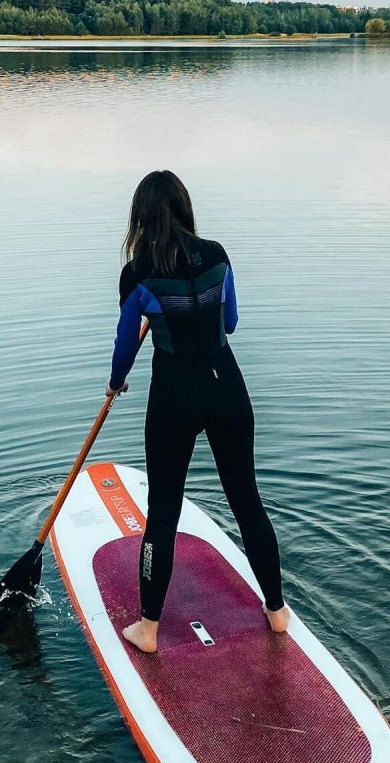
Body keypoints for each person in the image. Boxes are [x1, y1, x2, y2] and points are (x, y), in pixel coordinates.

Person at [106, 170, 289, 653]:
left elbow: (126, 341)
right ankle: (277, 611)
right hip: (226, 386)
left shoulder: (138, 271)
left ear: (140, 216)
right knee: (247, 501)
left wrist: (116, 380)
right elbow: (229, 320)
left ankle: (147, 629)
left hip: (174, 395)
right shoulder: (217, 254)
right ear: (185, 208)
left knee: (163, 512)